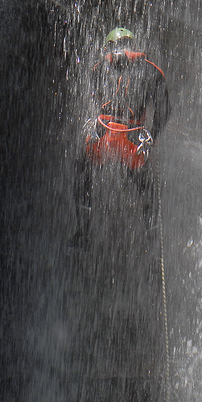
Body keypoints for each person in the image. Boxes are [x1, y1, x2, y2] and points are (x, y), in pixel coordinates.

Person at [71, 26, 171, 249]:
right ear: (132, 45)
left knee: (82, 166)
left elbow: (96, 102)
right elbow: (165, 111)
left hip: (103, 138)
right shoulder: (151, 70)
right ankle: (154, 246)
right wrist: (151, 137)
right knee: (147, 187)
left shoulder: (98, 68)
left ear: (109, 47)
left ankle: (83, 233)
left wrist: (95, 124)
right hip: (132, 141)